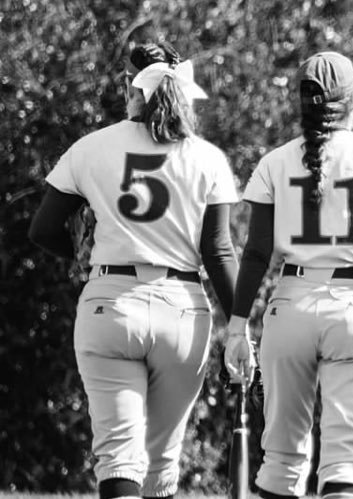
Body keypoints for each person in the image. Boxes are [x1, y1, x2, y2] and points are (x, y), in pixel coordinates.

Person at [221, 51, 353, 499]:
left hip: (292, 303)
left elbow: (258, 252)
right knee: (345, 458)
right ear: (350, 103)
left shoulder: (275, 161)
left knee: (281, 457)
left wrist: (238, 326)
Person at [29, 42, 237, 499]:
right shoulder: (206, 158)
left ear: (130, 87)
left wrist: (82, 252)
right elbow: (219, 251)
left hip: (111, 299)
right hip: (181, 307)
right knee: (161, 461)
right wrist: (241, 326)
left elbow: (42, 229)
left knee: (119, 454)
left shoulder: (91, 147)